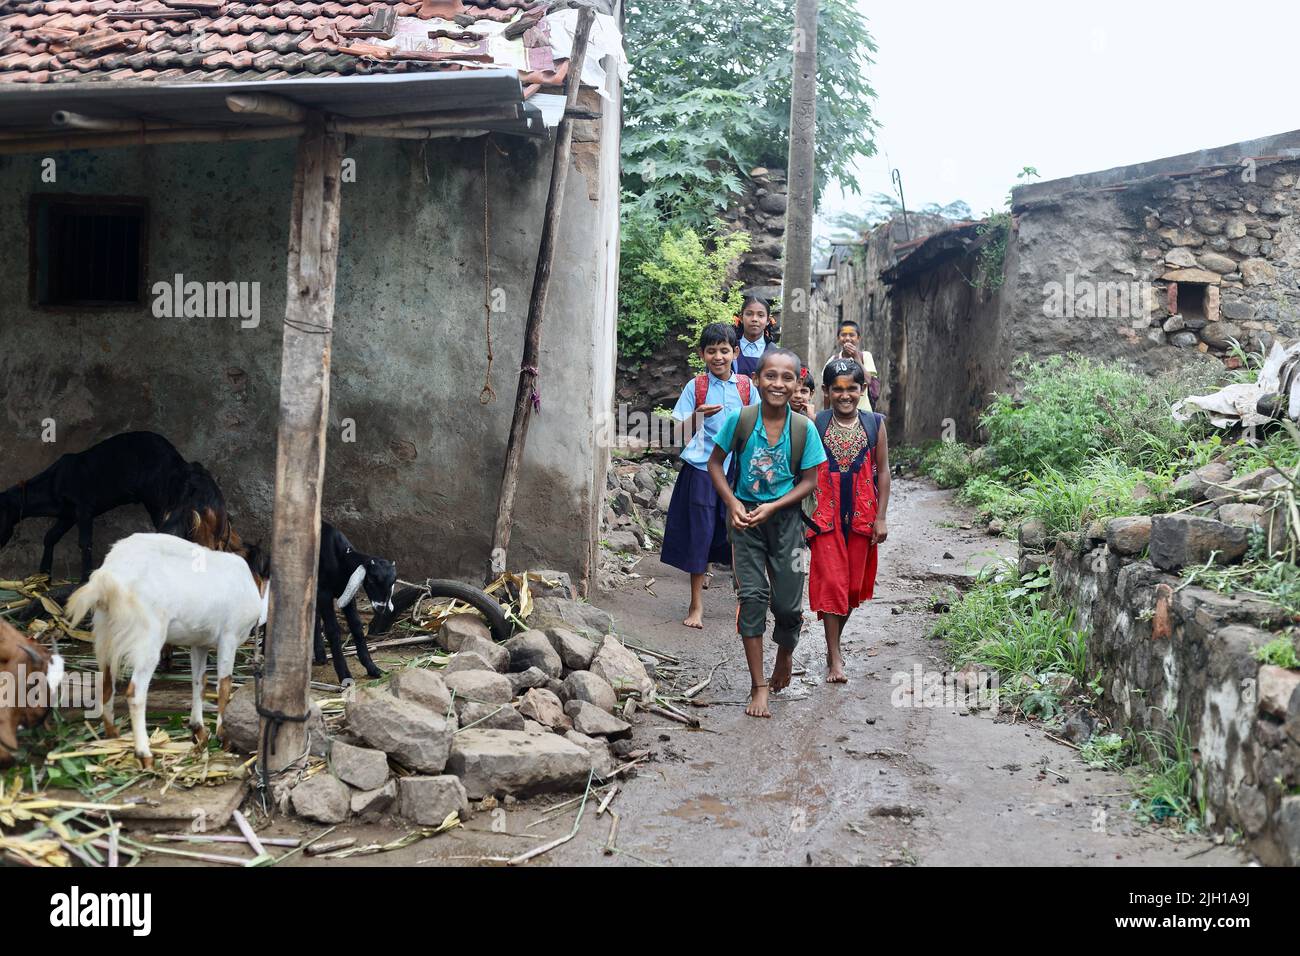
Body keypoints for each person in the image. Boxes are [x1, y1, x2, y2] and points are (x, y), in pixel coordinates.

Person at [707, 347, 827, 718]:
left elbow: (810, 481)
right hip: (745, 524)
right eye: (770, 376)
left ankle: (785, 654)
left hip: (786, 524)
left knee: (789, 605)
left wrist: (775, 506)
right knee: (754, 598)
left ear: (797, 384)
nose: (778, 383)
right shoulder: (741, 420)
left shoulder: (803, 428)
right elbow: (714, 464)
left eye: (787, 377)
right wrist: (733, 505)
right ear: (756, 379)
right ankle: (758, 685)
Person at [661, 322, 759, 629]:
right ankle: (696, 605)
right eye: (712, 351)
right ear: (702, 354)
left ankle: (744, 603)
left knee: (740, 536)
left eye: (724, 350)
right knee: (699, 536)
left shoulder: (746, 387)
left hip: (736, 474)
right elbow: (675, 434)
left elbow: (759, 426)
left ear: (736, 352)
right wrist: (698, 416)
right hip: (701, 471)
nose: (718, 356)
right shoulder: (696, 387)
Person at [806, 359, 890, 684]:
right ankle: (835, 657)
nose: (845, 395)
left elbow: (882, 472)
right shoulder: (816, 424)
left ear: (862, 390)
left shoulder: (875, 424)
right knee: (832, 582)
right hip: (824, 514)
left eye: (851, 389)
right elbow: (805, 470)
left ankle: (834, 643)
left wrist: (881, 517)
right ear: (826, 392)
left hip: (863, 514)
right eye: (837, 389)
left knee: (852, 586)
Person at [822, 320, 880, 411]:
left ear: (858, 338)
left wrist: (856, 357)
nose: (847, 338)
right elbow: (826, 391)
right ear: (838, 338)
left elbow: (868, 381)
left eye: (852, 335)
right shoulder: (832, 360)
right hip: (839, 412)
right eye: (843, 335)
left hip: (863, 411)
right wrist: (825, 414)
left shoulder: (865, 356)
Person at [733, 296, 773, 376]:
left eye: (760, 315)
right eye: (749, 314)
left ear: (768, 321)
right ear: (741, 318)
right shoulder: (729, 349)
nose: (754, 319)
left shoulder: (775, 353)